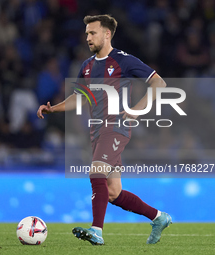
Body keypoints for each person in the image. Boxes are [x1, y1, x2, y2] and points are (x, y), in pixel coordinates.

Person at [37, 14, 172, 245]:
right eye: (87, 33)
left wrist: (137, 110)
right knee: (112, 193)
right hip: (97, 131)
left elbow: (159, 83)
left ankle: (96, 230)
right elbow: (79, 97)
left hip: (116, 127)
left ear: (107, 34)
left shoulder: (123, 60)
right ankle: (159, 217)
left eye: (92, 33)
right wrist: (53, 109)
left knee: (96, 171)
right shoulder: (87, 66)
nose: (87, 37)